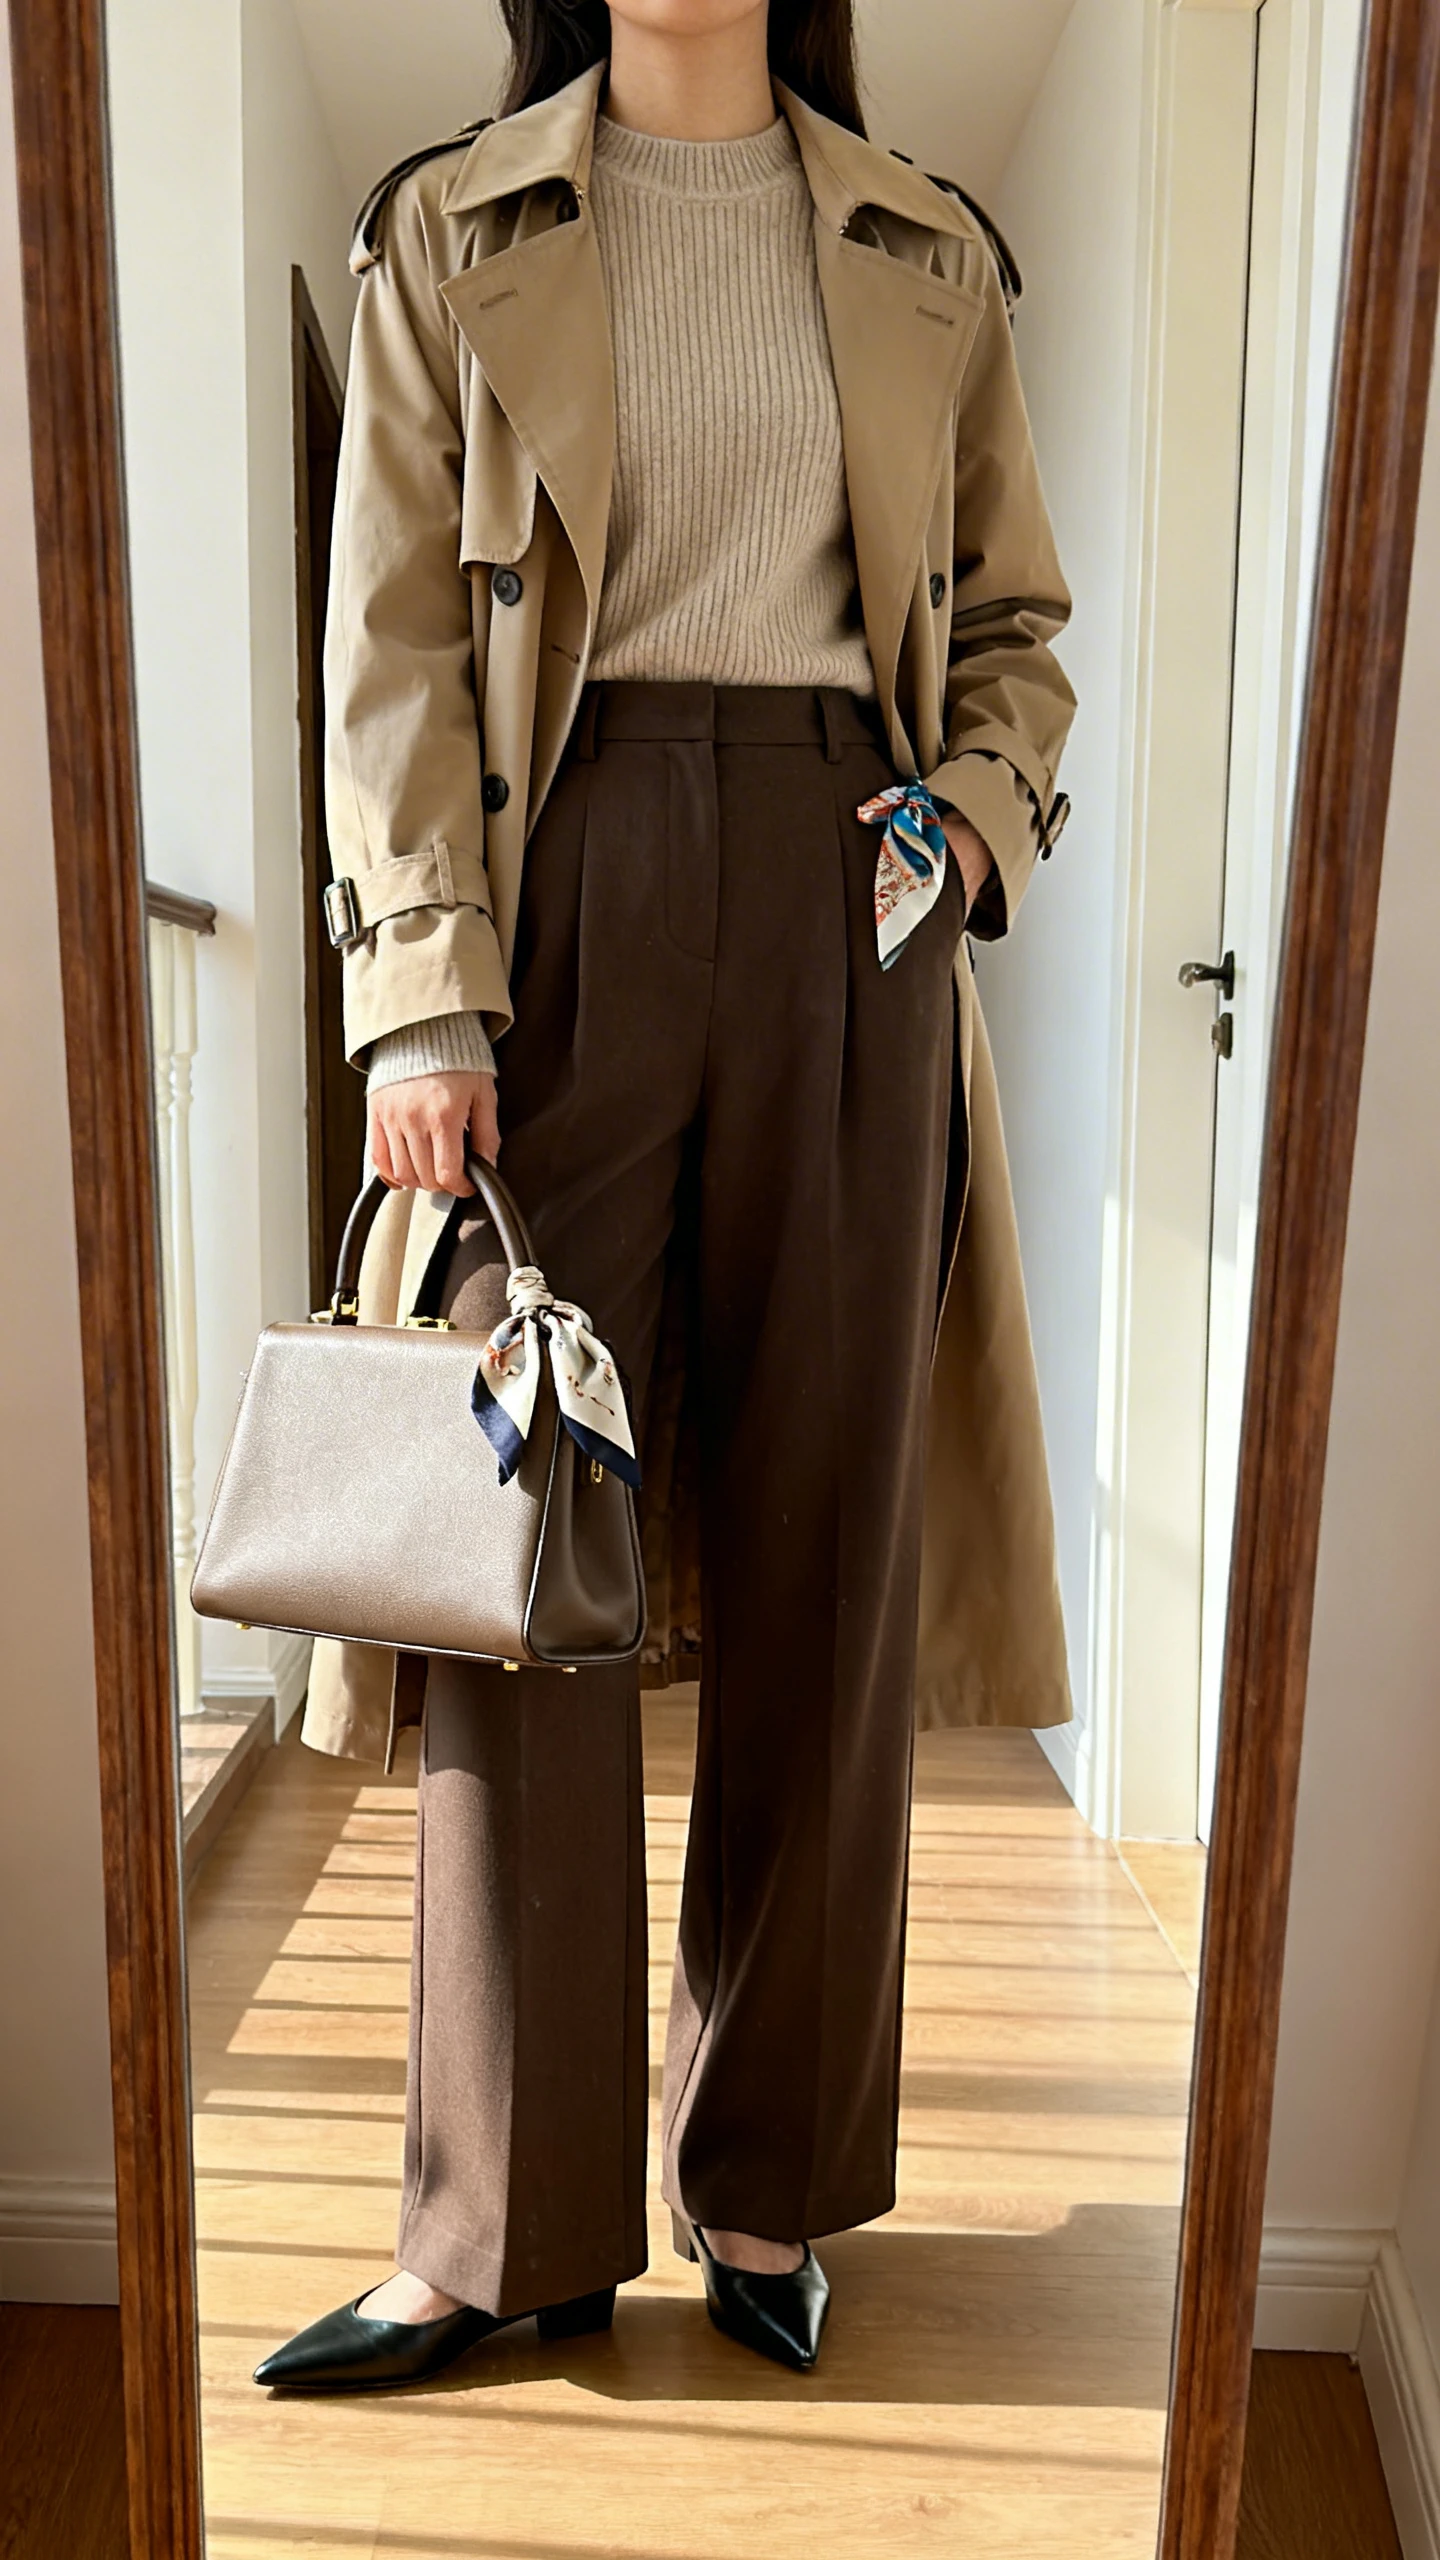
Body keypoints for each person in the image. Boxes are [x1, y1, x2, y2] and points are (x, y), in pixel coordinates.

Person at [256, 0, 1075, 2394]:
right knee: (523, 1553)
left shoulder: (934, 250)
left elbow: (1015, 635)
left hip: (860, 901)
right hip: (566, 875)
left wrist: (968, 824)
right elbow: (392, 633)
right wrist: (423, 987)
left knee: (830, 1539)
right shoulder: (453, 221)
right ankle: (496, 2221)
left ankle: (770, 2175)